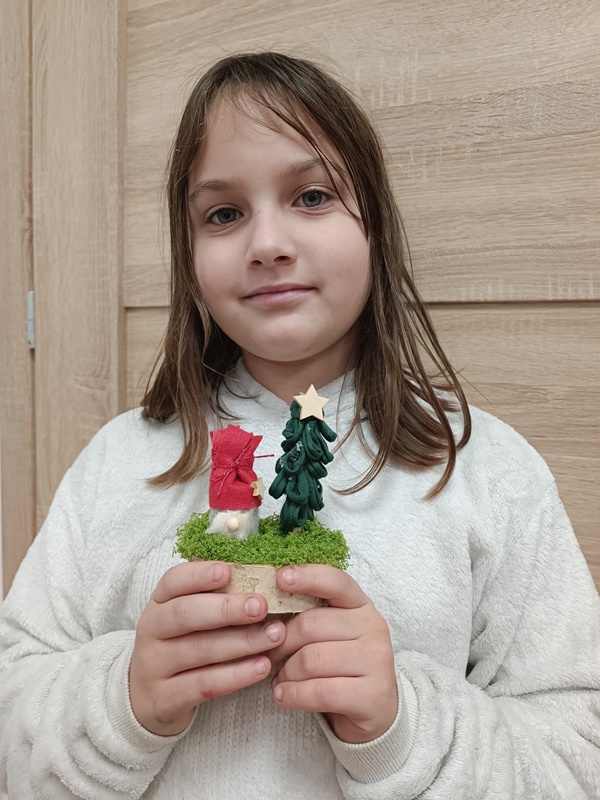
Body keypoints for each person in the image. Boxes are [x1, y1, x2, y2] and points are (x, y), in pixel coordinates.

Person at [1, 52, 599, 800]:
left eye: (312, 196)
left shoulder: (489, 470)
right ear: (188, 255)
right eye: (223, 214)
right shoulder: (116, 465)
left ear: (376, 224)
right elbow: (12, 712)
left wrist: (404, 728)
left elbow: (577, 754)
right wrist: (121, 702)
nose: (267, 244)